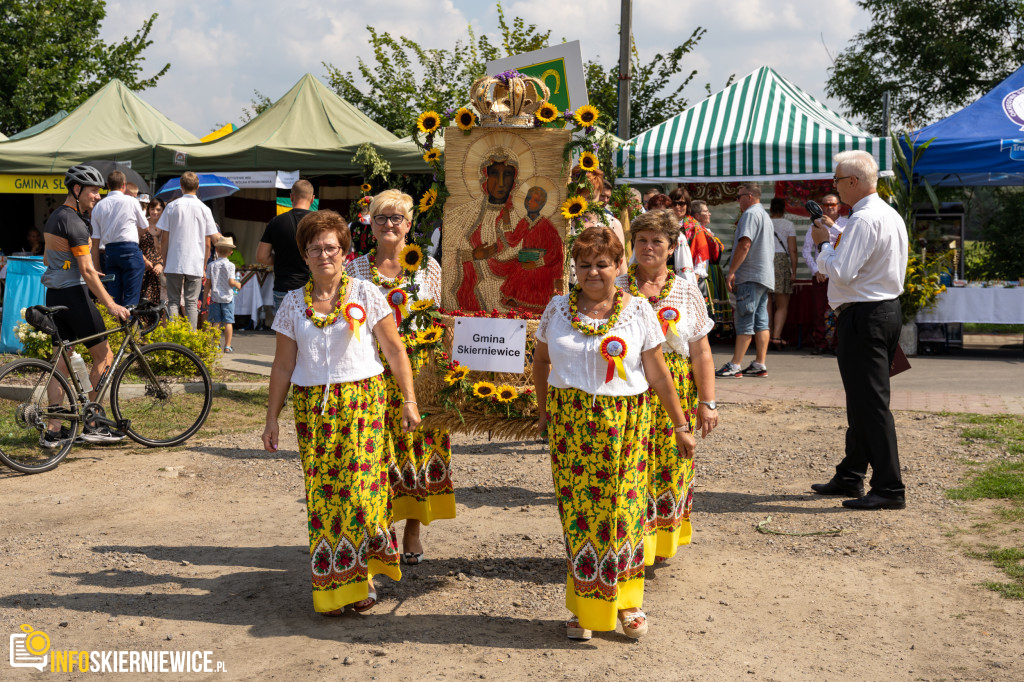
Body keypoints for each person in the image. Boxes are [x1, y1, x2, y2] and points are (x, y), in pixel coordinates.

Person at [534, 225, 693, 641]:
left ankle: (627, 602)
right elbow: (540, 362)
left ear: (618, 265)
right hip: (572, 428)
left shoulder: (639, 309)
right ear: (574, 267)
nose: (592, 273)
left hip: (626, 425)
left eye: (602, 264)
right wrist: (543, 412)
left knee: (622, 515)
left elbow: (658, 372)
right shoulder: (556, 308)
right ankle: (582, 607)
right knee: (579, 517)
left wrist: (679, 424)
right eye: (584, 265)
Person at [262, 210, 420, 614]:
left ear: (344, 251)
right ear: (304, 255)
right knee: (325, 501)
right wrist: (271, 418)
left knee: (363, 495)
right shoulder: (293, 305)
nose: (323, 255)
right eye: (314, 249)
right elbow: (282, 366)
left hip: (364, 405)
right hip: (314, 412)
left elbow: (395, 350)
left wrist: (408, 400)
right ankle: (336, 588)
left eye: (330, 247)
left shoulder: (366, 294)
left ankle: (365, 569)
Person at [345, 189, 452, 566]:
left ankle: (412, 530)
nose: (389, 225)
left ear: (409, 224)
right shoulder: (354, 270)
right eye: (381, 218)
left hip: (421, 377)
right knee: (379, 454)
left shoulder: (429, 268)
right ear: (370, 225)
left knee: (418, 453)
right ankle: (381, 532)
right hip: (373, 375)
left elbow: (443, 320)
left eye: (397, 218)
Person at [617, 209, 718, 564]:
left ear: (672, 246)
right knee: (632, 466)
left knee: (671, 464)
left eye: (656, 241)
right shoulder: (616, 289)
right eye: (641, 240)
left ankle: (660, 543)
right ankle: (633, 541)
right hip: (629, 390)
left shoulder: (687, 291)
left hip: (676, 391)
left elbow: (701, 350)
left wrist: (708, 401)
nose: (648, 248)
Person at [810, 151, 908, 511]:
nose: (833, 186)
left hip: (865, 316)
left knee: (871, 404)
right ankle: (852, 473)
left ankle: (889, 486)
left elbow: (842, 272)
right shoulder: (886, 214)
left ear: (852, 182)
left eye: (836, 180)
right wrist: (834, 234)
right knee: (863, 400)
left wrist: (822, 243)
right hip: (881, 311)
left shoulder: (864, 220)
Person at [40, 165, 131, 446]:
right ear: (76, 190)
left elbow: (48, 260)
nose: (97, 196)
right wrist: (112, 304)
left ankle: (54, 430)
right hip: (75, 297)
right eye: (92, 191)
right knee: (104, 355)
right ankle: (92, 424)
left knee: (61, 364)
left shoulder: (56, 217)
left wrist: (77, 269)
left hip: (54, 296)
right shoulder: (77, 224)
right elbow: (89, 272)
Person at [716, 183, 774, 378]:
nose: (737, 200)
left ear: (749, 196)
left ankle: (735, 364)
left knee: (745, 320)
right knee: (761, 322)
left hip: (749, 274)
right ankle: (760, 362)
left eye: (739, 196)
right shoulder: (764, 215)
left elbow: (745, 244)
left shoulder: (750, 214)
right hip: (763, 275)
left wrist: (732, 271)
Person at [487, 185, 565, 313]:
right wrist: (506, 221)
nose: (529, 202)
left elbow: (555, 252)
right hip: (527, 261)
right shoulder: (525, 222)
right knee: (518, 268)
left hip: (544, 265)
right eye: (528, 198)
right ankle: (517, 303)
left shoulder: (547, 226)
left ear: (542, 205)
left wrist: (537, 263)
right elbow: (512, 240)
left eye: (535, 200)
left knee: (525, 273)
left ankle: (531, 306)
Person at [158, 172, 220, 328]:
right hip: (195, 262)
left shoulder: (171, 206)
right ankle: (190, 341)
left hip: (174, 260)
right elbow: (209, 242)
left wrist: (165, 261)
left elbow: (164, 238)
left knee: (173, 301)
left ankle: (174, 338)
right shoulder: (204, 209)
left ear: (181, 186)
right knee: (191, 302)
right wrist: (205, 264)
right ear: (197, 187)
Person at [90, 170, 148, 306]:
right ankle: (128, 324)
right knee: (131, 296)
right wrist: (135, 233)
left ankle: (116, 325)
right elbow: (145, 227)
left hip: (110, 253)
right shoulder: (131, 201)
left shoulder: (99, 206)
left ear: (108, 185)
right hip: (130, 250)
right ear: (124, 185)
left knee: (113, 296)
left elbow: (95, 241)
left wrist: (97, 266)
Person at [257, 179, 314, 312]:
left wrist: (283, 259)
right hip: (311, 288)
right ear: (312, 199)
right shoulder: (318, 222)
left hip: (283, 287)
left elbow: (261, 257)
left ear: (291, 197)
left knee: (283, 332)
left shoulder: (276, 222)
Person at [803, 193, 847, 354]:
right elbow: (806, 251)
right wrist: (816, 270)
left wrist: (832, 226)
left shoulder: (845, 224)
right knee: (819, 311)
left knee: (840, 310)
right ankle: (820, 343)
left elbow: (848, 241)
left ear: (839, 206)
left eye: (832, 205)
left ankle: (838, 343)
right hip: (822, 275)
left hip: (839, 273)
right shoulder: (815, 224)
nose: (829, 208)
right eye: (826, 205)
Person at [768, 197, 798, 350]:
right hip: (781, 262)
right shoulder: (788, 225)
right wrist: (794, 271)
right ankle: (776, 337)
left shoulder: (765, 222)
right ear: (784, 209)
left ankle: (766, 336)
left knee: (766, 303)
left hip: (765, 261)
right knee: (782, 304)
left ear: (771, 209)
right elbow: (792, 250)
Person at [204, 236, 241, 353]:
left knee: (216, 322)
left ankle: (216, 345)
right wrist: (237, 284)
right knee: (228, 321)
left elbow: (208, 283)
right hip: (228, 298)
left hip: (215, 297)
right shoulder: (230, 266)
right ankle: (227, 345)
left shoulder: (211, 265)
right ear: (231, 252)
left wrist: (205, 299)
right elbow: (231, 282)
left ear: (217, 250)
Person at [140, 198, 166, 307]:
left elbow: (169, 248)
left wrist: (161, 263)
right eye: (152, 209)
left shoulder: (166, 226)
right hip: (144, 266)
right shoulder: (142, 224)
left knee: (161, 302)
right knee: (143, 300)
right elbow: (135, 245)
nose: (155, 212)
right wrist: (145, 260)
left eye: (158, 209)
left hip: (161, 268)